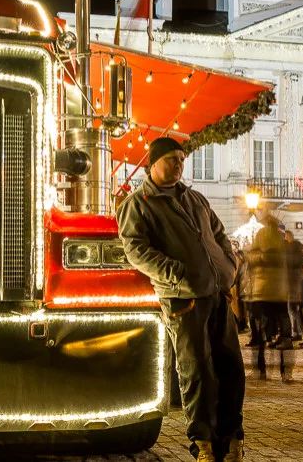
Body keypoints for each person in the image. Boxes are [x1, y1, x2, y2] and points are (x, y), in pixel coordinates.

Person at [117, 137, 245, 461]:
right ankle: (202, 441)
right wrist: (175, 273)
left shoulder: (195, 199)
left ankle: (232, 439)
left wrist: (228, 266)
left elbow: (219, 234)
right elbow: (136, 249)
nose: (178, 165)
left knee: (231, 367)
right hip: (183, 299)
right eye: (172, 159)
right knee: (197, 371)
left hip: (217, 292)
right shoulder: (139, 203)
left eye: (181, 159)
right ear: (153, 163)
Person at [245, 217, 295, 380]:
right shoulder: (281, 241)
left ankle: (261, 369)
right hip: (278, 292)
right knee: (282, 333)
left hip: (263, 292)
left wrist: (259, 257)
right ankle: (285, 371)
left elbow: (252, 259)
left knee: (260, 333)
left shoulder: (262, 235)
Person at [284, 227, 303, 342]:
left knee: (292, 309)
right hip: (295, 284)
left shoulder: (291, 253)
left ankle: (296, 332)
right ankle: (297, 330)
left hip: (292, 284)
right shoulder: (298, 253)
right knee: (294, 310)